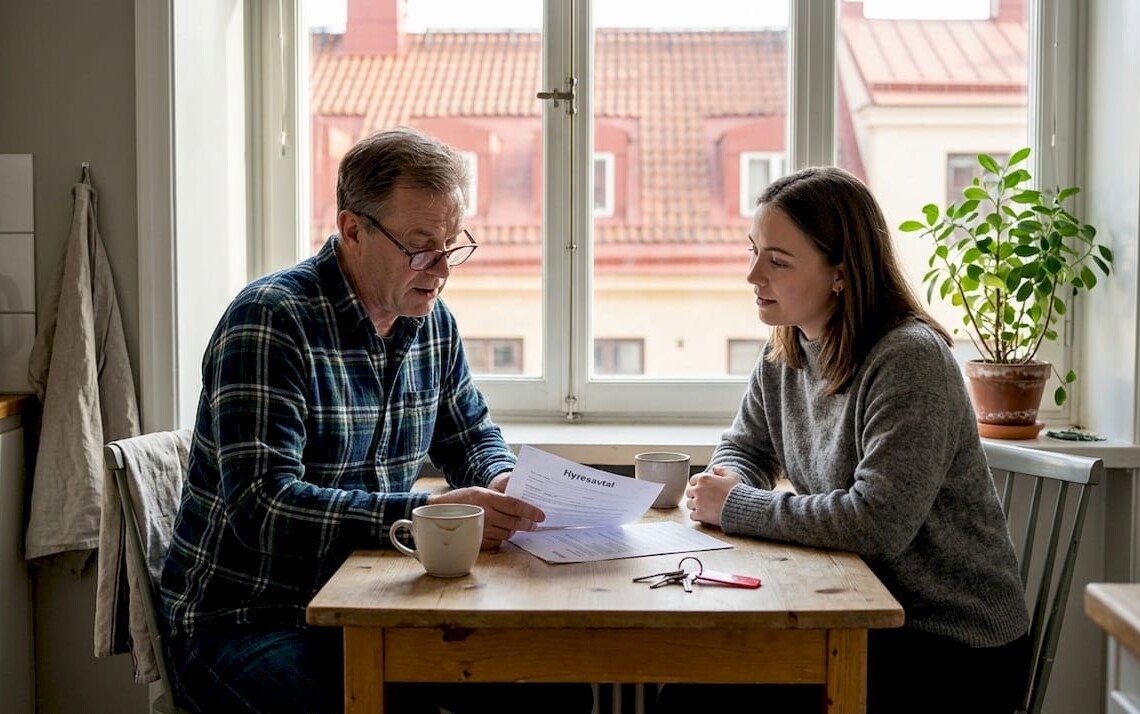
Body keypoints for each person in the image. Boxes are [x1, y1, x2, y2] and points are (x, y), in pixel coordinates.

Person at [160, 127, 594, 714]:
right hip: (248, 616)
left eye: (452, 245)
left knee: (548, 687)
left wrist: (500, 483)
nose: (441, 269)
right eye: (420, 246)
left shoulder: (431, 322)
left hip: (372, 598)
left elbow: (470, 436)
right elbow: (260, 509)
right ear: (353, 230)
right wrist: (418, 517)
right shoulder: (271, 322)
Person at [661, 166, 1031, 714]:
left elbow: (876, 523)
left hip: (949, 641)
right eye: (753, 251)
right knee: (691, 684)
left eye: (778, 261)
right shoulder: (785, 347)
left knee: (698, 698)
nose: (753, 275)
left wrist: (736, 506)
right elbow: (747, 446)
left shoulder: (909, 359)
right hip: (859, 610)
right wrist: (732, 477)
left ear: (840, 273)